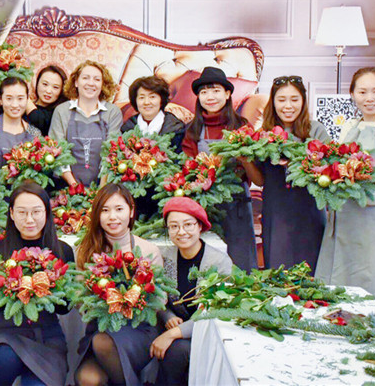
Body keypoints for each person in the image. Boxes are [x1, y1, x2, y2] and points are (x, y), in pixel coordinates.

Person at [316, 67, 375, 309]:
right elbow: (339, 166)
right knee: (338, 285)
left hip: (373, 223)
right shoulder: (350, 126)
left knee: (371, 286)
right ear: (353, 94)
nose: (369, 98)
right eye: (362, 92)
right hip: (343, 221)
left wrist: (363, 196)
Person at [0, 181, 75, 386]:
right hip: (7, 332)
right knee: (3, 359)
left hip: (47, 336)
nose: (29, 219)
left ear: (47, 213)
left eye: (36, 212)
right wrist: (14, 290)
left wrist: (43, 290)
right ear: (12, 213)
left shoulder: (62, 251)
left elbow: (66, 306)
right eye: (22, 212)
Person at [74, 184, 163, 386]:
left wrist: (130, 302)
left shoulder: (147, 250)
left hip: (138, 330)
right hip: (100, 327)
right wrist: (102, 301)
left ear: (131, 211)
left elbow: (159, 299)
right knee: (88, 379)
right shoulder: (86, 249)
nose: (112, 217)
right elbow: (80, 300)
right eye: (105, 210)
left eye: (119, 209)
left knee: (103, 343)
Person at [182, 66, 262, 272]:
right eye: (204, 92)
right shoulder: (192, 130)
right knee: (206, 265)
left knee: (241, 264)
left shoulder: (242, 126)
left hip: (237, 203)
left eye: (216, 90)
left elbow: (254, 173)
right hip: (204, 204)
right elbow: (187, 169)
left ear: (227, 94)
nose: (210, 97)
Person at [150, 197, 233, 386]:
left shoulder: (219, 262)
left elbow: (215, 312)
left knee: (177, 350)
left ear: (200, 226)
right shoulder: (165, 258)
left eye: (188, 225)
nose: (181, 232)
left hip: (207, 330)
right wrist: (168, 316)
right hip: (171, 327)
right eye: (174, 226)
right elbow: (157, 295)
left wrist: (174, 333)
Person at [256, 76, 331, 271]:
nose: (288, 106)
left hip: (310, 212)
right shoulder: (264, 134)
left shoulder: (316, 130)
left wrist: (296, 162)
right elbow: (259, 180)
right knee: (278, 271)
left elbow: (328, 173)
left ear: (303, 101)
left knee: (312, 271)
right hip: (276, 213)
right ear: (273, 102)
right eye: (281, 100)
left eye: (294, 99)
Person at [50, 60, 123, 187]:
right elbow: (57, 152)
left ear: (102, 84)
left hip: (103, 187)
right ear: (76, 82)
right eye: (85, 78)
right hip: (66, 187)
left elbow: (112, 153)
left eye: (97, 79)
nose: (91, 83)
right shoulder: (62, 111)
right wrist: (75, 187)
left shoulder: (112, 112)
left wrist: (101, 191)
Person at [0, 77, 41, 168]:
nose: (15, 105)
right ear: (1, 99)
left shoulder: (34, 133)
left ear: (27, 99)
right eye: (9, 98)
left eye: (20, 98)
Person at [121, 75, 185, 151]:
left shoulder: (176, 129)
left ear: (161, 100)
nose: (147, 102)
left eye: (152, 97)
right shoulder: (127, 127)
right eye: (141, 97)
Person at [26, 65, 68, 135]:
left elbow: (38, 119)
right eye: (45, 84)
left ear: (62, 90)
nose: (48, 91)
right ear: (37, 84)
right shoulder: (24, 106)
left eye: (55, 87)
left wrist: (22, 95)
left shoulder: (59, 113)